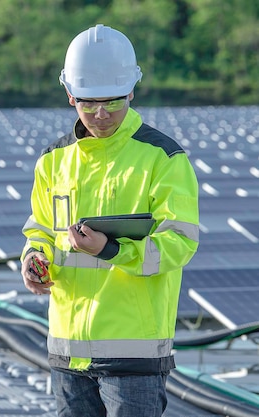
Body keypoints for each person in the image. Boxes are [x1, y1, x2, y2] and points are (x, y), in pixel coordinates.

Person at [19, 24, 200, 417]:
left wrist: (111, 249)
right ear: (70, 95)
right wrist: (34, 257)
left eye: (113, 102)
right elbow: (41, 229)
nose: (101, 113)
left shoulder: (163, 158)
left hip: (132, 354)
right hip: (68, 351)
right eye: (89, 103)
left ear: (132, 91)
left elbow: (180, 241)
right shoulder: (53, 161)